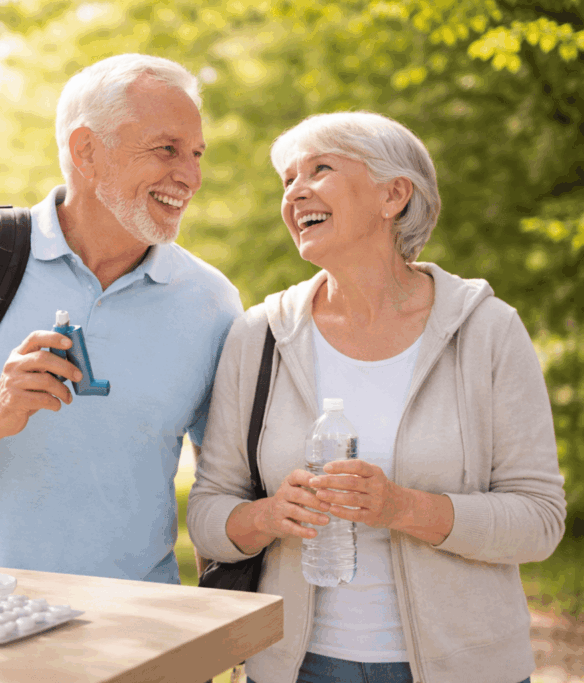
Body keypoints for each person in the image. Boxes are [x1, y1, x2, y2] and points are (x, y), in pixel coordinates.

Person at [187, 111, 566, 683]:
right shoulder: (259, 335)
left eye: (320, 169)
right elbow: (207, 514)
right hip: (295, 666)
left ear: (394, 195)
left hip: (464, 668)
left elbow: (539, 520)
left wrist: (402, 508)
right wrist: (268, 515)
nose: (295, 193)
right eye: (288, 179)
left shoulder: (487, 330)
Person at [0, 54, 242, 584]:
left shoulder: (213, 301)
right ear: (86, 151)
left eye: (196, 154)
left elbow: (224, 487)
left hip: (139, 618)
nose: (191, 177)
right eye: (166, 149)